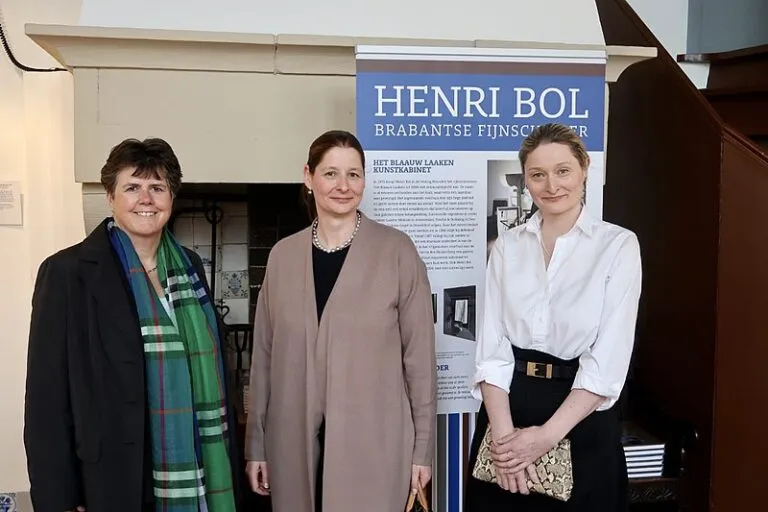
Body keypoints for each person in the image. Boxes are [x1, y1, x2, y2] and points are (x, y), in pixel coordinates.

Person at [24, 138, 241, 512]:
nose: (146, 198)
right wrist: (58, 499)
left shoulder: (189, 267)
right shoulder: (67, 273)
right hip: (111, 480)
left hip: (203, 473)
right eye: (132, 187)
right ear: (110, 196)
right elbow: (46, 404)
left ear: (171, 198)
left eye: (157, 188)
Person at [244, 130, 437, 512]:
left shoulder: (397, 251)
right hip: (291, 444)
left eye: (354, 174)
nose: (343, 186)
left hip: (375, 446)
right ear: (308, 177)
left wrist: (423, 451)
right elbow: (263, 358)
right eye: (331, 173)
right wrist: (256, 445)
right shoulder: (283, 257)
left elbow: (420, 361)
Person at [465, 123, 642, 511]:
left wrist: (545, 438)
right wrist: (504, 438)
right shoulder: (507, 246)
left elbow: (607, 362)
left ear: (584, 169)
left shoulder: (618, 246)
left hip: (580, 416)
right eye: (537, 175)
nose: (551, 185)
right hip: (506, 410)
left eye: (562, 171)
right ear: (526, 181)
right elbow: (491, 350)